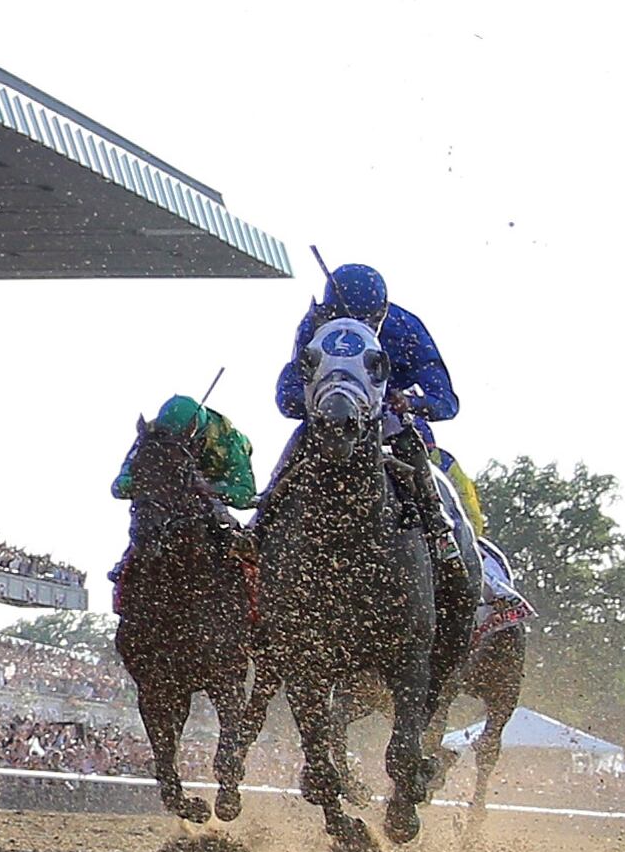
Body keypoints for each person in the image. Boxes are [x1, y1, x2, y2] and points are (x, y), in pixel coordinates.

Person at [268, 258, 483, 602]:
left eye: (365, 322)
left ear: (381, 315)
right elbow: (287, 395)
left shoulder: (405, 328)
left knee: (413, 450)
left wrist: (410, 403)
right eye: (341, 319)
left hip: (390, 426)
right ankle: (261, 526)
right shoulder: (315, 326)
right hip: (327, 425)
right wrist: (314, 404)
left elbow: (446, 401)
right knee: (294, 451)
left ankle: (440, 530)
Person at [112, 394, 256, 510]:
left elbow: (245, 494)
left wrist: (211, 489)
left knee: (214, 513)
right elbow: (119, 485)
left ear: (200, 438)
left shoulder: (230, 442)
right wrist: (144, 483)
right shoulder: (151, 435)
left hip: (214, 486)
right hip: (167, 492)